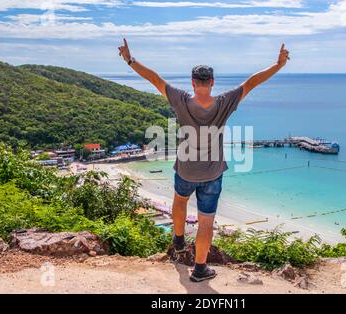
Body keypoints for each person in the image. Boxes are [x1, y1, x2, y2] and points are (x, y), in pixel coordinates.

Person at [118, 38, 289, 282]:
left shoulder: (180, 99)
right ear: (211, 82)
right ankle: (200, 269)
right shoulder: (224, 102)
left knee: (180, 199)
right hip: (212, 174)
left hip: (186, 169)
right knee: (206, 222)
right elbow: (252, 82)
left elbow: (153, 79)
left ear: (192, 82)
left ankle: (178, 238)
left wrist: (129, 59)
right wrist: (278, 64)